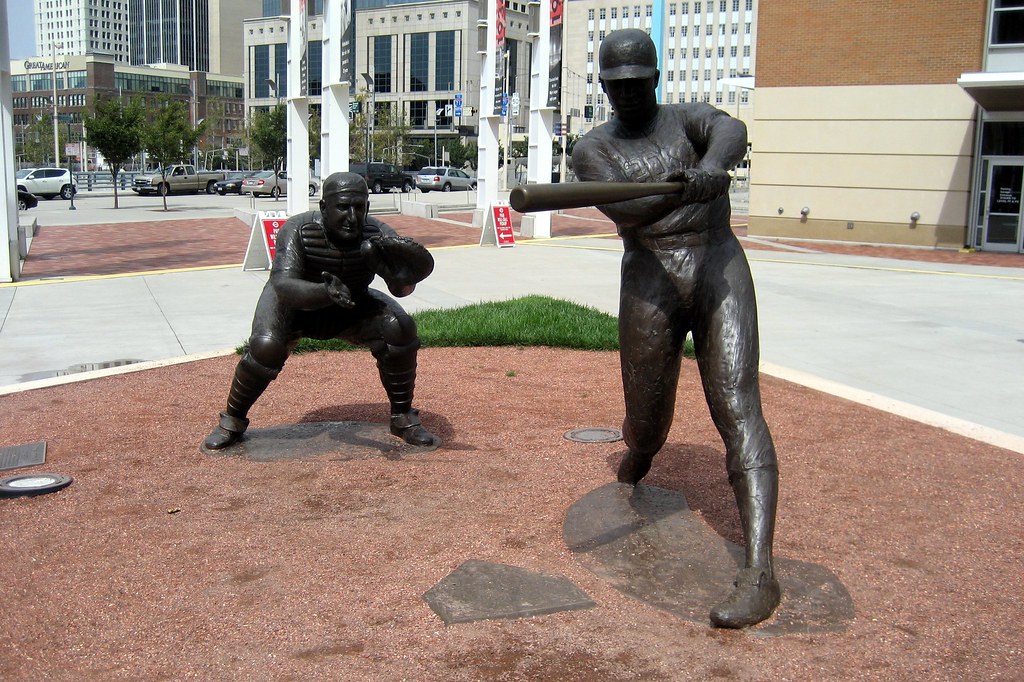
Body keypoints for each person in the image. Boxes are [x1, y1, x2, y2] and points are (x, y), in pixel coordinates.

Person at [571, 29, 780, 628]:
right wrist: (684, 188)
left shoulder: (687, 119)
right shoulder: (592, 150)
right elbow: (630, 211)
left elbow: (730, 129)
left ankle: (760, 570)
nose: (630, 93)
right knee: (647, 418)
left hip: (718, 261)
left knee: (738, 407)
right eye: (618, 86)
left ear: (655, 78)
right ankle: (640, 452)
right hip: (650, 275)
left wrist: (712, 167)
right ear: (606, 88)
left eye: (639, 82)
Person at [203, 171, 436, 451]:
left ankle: (402, 417)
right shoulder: (298, 230)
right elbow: (283, 284)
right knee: (266, 347)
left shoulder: (378, 234)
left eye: (359, 207)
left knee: (400, 328)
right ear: (324, 207)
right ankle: (232, 420)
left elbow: (401, 290)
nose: (352, 216)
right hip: (294, 303)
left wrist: (400, 277)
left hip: (351, 302)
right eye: (342, 207)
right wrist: (323, 292)